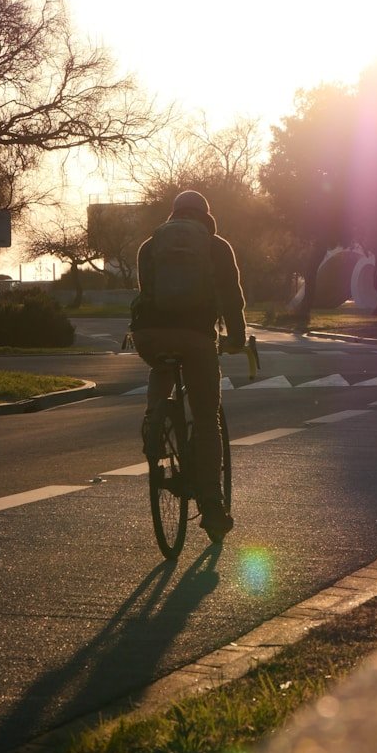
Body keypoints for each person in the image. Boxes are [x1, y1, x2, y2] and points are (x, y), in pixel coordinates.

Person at [131, 190, 247, 543]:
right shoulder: (217, 246)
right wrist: (237, 338)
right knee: (207, 418)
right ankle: (212, 508)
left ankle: (154, 422)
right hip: (196, 336)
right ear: (205, 217)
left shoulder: (150, 246)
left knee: (161, 368)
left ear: (174, 214)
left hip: (149, 335)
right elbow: (231, 298)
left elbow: (146, 290)